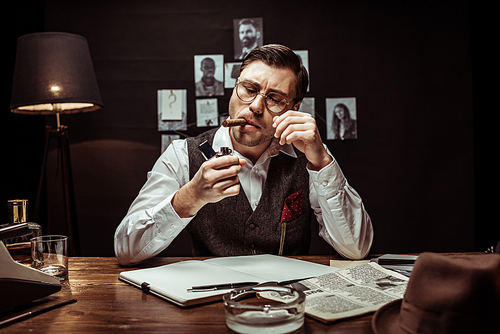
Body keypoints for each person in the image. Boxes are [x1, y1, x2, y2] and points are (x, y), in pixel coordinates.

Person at [114, 44, 373, 265]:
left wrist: (322, 162)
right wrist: (190, 197)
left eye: (275, 99)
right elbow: (127, 250)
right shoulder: (182, 155)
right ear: (235, 87)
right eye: (249, 89)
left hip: (287, 304)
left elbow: (356, 249)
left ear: (294, 108)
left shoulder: (309, 159)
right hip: (208, 306)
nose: (256, 106)